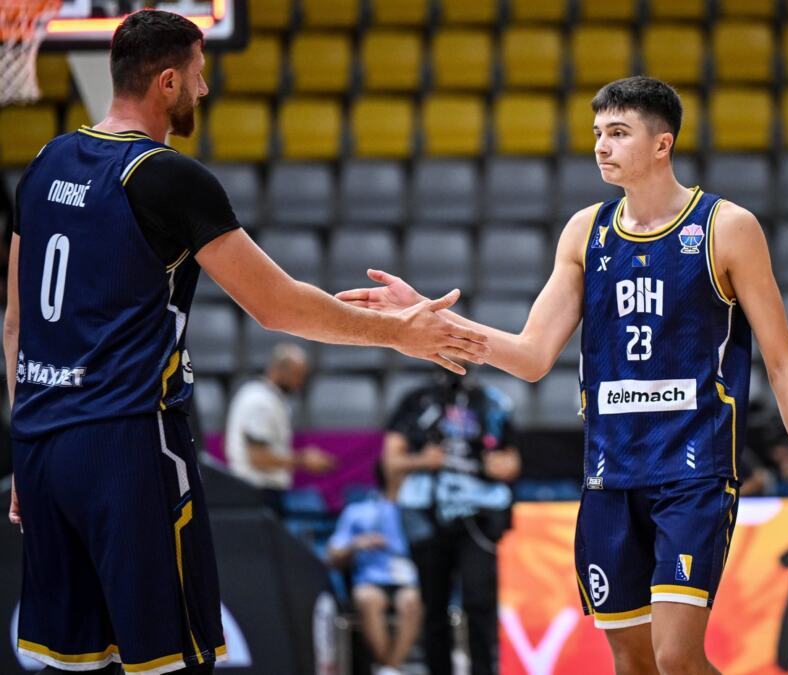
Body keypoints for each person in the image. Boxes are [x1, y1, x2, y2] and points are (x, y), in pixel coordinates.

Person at [4, 10, 487, 674]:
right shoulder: (166, 176)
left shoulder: (43, 162)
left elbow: (15, 323)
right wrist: (398, 332)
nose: (203, 90)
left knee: (71, 662)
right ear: (168, 82)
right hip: (128, 444)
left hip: (42, 445)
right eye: (198, 75)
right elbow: (276, 305)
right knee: (167, 661)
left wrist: (27, 444)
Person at [341, 76, 788, 675]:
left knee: (677, 657)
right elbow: (530, 355)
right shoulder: (586, 231)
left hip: (694, 471)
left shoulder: (727, 228)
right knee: (633, 661)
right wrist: (426, 317)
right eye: (598, 132)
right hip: (610, 475)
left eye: (619, 133)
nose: (602, 146)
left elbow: (783, 364)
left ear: (663, 143)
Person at [382, 370, 521, 675]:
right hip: (426, 515)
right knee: (434, 606)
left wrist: (501, 466)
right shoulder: (416, 401)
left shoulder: (492, 402)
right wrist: (423, 460)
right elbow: (390, 461)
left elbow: (512, 461)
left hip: (478, 516)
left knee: (480, 601)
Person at [327, 462, 421, 675]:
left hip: (407, 582)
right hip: (370, 580)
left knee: (412, 601)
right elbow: (332, 556)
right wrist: (357, 544)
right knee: (368, 599)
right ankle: (391, 669)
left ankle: (388, 669)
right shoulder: (358, 511)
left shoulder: (416, 513)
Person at [224, 343, 334, 513]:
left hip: (257, 491)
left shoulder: (264, 396)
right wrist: (304, 460)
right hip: (256, 493)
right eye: (297, 375)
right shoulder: (261, 402)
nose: (299, 383)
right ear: (279, 369)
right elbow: (258, 458)